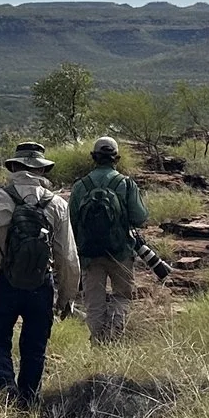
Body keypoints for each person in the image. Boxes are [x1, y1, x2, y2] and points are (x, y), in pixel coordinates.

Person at [0, 140, 80, 407]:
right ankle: (28, 403)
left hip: (4, 281)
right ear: (41, 170)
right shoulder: (58, 205)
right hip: (41, 285)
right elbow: (68, 257)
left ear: (15, 167)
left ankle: (4, 385)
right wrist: (66, 296)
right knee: (35, 347)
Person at [68, 135, 151, 343]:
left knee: (94, 302)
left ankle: (98, 341)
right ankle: (112, 338)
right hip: (120, 252)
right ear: (117, 158)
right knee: (122, 296)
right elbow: (140, 218)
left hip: (88, 255)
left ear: (93, 157)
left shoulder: (80, 186)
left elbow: (70, 221)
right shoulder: (126, 184)